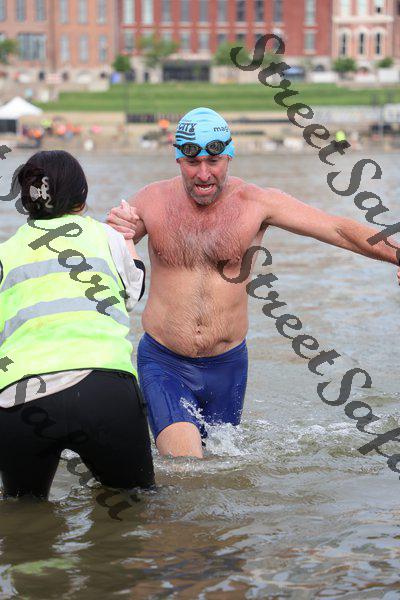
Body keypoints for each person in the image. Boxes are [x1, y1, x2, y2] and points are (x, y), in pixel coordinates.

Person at [107, 106, 400, 460]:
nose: (203, 174)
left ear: (229, 156)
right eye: (192, 163)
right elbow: (101, 253)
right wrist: (116, 229)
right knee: (187, 465)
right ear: (178, 160)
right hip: (164, 362)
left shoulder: (257, 203)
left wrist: (397, 254)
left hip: (228, 366)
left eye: (213, 162)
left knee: (223, 470)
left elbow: (337, 229)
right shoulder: (150, 202)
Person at [0, 150, 154, 499]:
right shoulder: (106, 237)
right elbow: (133, 291)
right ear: (81, 197)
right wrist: (127, 237)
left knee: (25, 515)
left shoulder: (5, 253)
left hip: (21, 399)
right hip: (103, 388)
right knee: (135, 505)